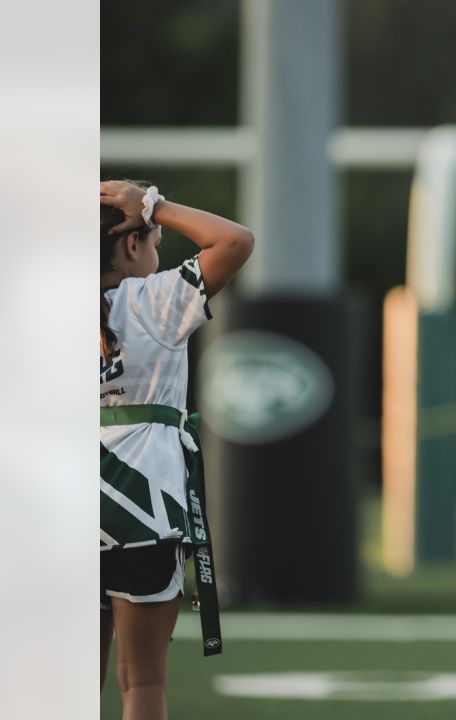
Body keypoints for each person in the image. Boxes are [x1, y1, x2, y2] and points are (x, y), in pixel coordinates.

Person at [100, 180, 254, 718]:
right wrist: (154, 206)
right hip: (145, 508)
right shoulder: (156, 300)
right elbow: (234, 241)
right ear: (133, 245)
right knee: (141, 686)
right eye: (156, 239)